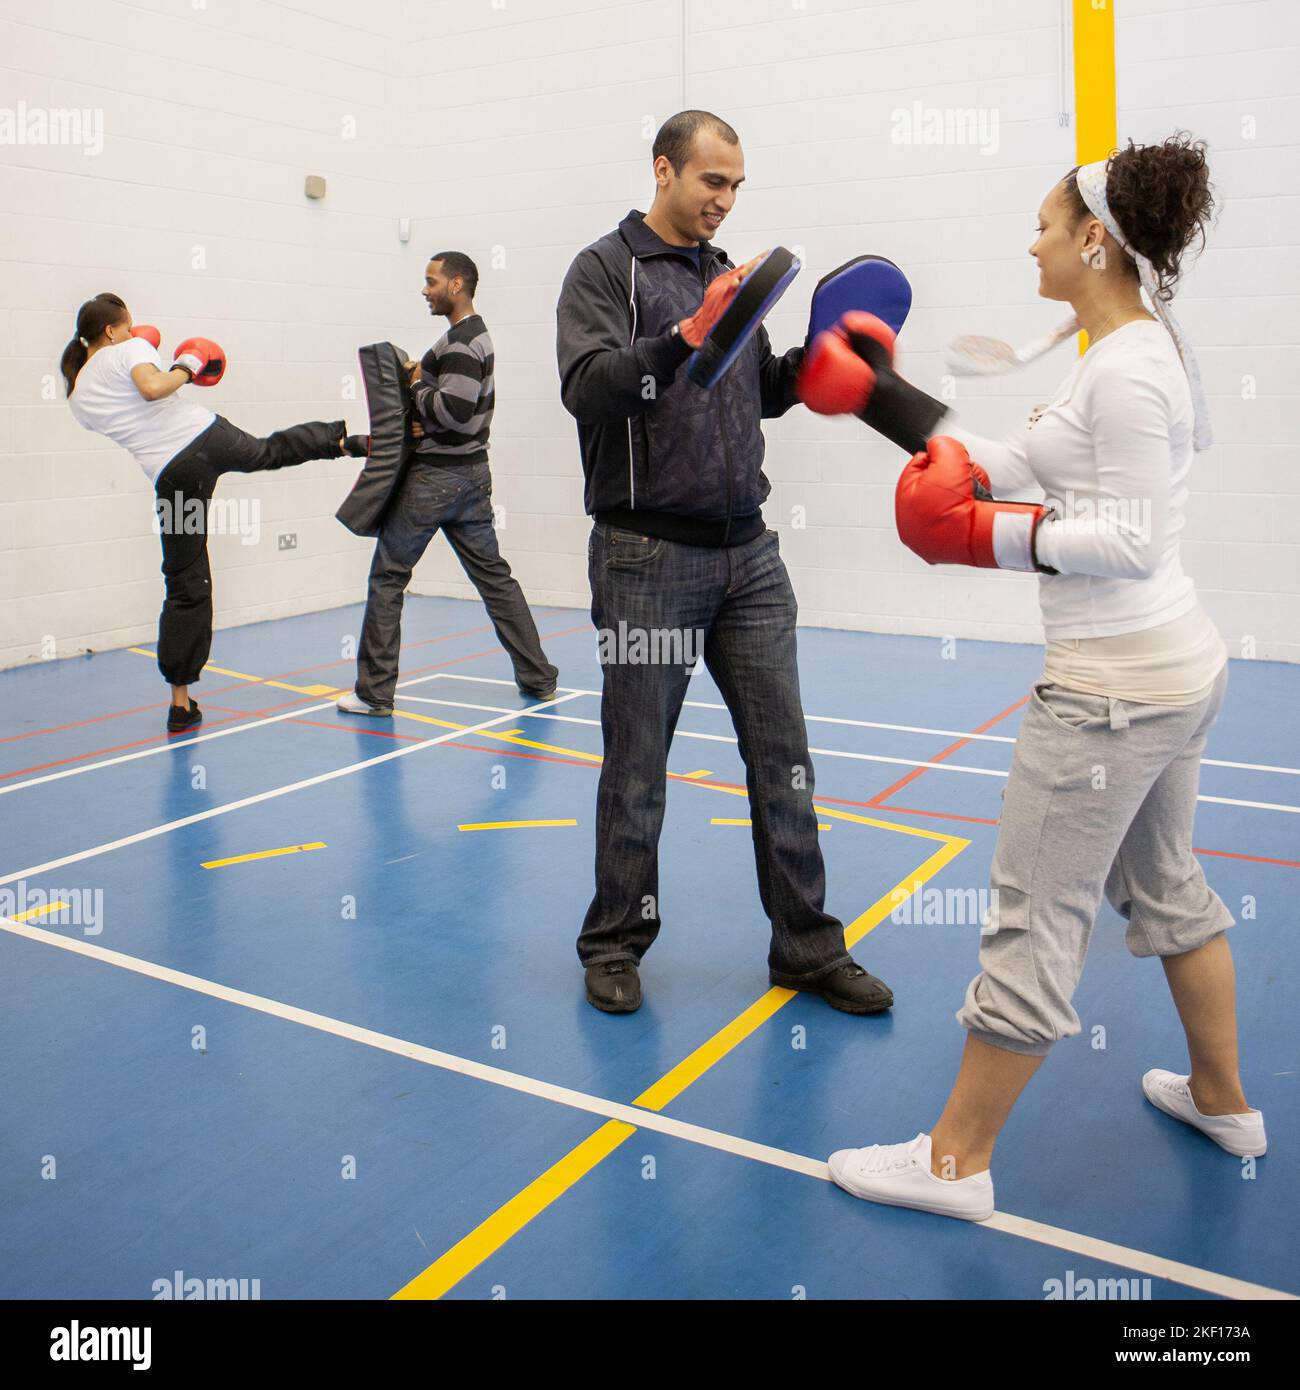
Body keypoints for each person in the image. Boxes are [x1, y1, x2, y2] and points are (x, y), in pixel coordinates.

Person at [815, 136, 1265, 1220]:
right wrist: (881, 396)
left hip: (1110, 694)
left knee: (1030, 915)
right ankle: (1223, 1101)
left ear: (1092, 239)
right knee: (1167, 889)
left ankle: (955, 1164)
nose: (1031, 243)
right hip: (1171, 673)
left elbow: (1129, 538)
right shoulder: (1112, 347)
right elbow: (1009, 461)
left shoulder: (1126, 370)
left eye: (1044, 226)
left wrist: (983, 542)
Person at [555, 110, 893, 1016]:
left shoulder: (725, 272)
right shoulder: (603, 270)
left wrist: (820, 372)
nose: (726, 199)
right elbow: (586, 389)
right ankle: (615, 942)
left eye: (737, 185)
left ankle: (808, 948)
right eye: (712, 181)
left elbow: (757, 386)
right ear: (664, 169)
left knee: (784, 760)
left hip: (750, 556)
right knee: (637, 767)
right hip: (645, 557)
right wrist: (680, 339)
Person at [62, 293, 354, 733]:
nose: (134, 331)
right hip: (204, 438)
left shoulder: (77, 396)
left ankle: (181, 704)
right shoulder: (130, 349)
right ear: (111, 330)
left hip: (173, 475)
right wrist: (187, 366)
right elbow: (151, 388)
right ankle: (342, 442)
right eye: (128, 325)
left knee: (185, 578)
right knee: (268, 451)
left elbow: (132, 405)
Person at [338, 252, 557, 716]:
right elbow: (455, 407)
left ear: (457, 285)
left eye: (431, 281)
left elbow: (453, 411)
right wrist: (425, 394)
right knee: (495, 580)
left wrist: (416, 384)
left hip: (436, 480)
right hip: (472, 478)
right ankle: (538, 677)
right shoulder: (472, 338)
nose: (425, 289)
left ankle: (373, 694)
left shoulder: (462, 341)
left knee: (387, 579)